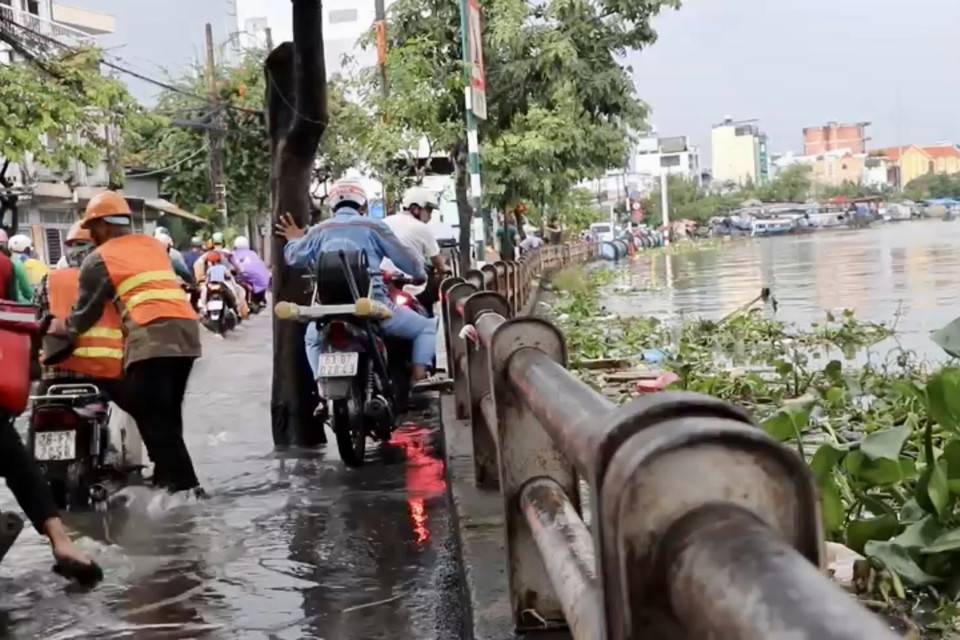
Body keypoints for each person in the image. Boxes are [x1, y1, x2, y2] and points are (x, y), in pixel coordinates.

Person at [48, 191, 204, 496]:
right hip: (186, 330)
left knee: (147, 408)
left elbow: (85, 313)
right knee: (167, 413)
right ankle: (167, 481)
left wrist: (62, 331)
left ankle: (188, 489)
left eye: (92, 228)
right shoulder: (154, 246)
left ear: (104, 226)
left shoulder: (99, 259)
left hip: (151, 333)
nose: (91, 236)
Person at [275, 179, 437, 404]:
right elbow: (410, 263)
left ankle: (321, 385)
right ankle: (420, 379)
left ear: (332, 206)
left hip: (328, 309)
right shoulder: (373, 226)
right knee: (426, 327)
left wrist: (294, 240)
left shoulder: (319, 230)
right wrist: (419, 273)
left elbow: (293, 257)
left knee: (312, 338)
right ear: (363, 206)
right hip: (374, 306)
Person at [381, 186, 448, 276]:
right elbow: (439, 264)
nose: (430, 216)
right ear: (415, 209)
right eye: (428, 210)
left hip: (383, 281)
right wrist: (446, 269)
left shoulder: (384, 222)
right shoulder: (421, 228)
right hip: (410, 284)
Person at [231, 236, 270, 306]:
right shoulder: (253, 254)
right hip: (259, 281)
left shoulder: (233, 254)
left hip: (241, 277)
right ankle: (260, 299)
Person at [197, 250, 238, 315]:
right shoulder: (223, 267)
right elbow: (229, 276)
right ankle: (235, 304)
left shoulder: (209, 269)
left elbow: (207, 278)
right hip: (221, 283)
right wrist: (233, 282)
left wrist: (205, 283)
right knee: (232, 290)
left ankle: (203, 306)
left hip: (211, 284)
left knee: (204, 293)